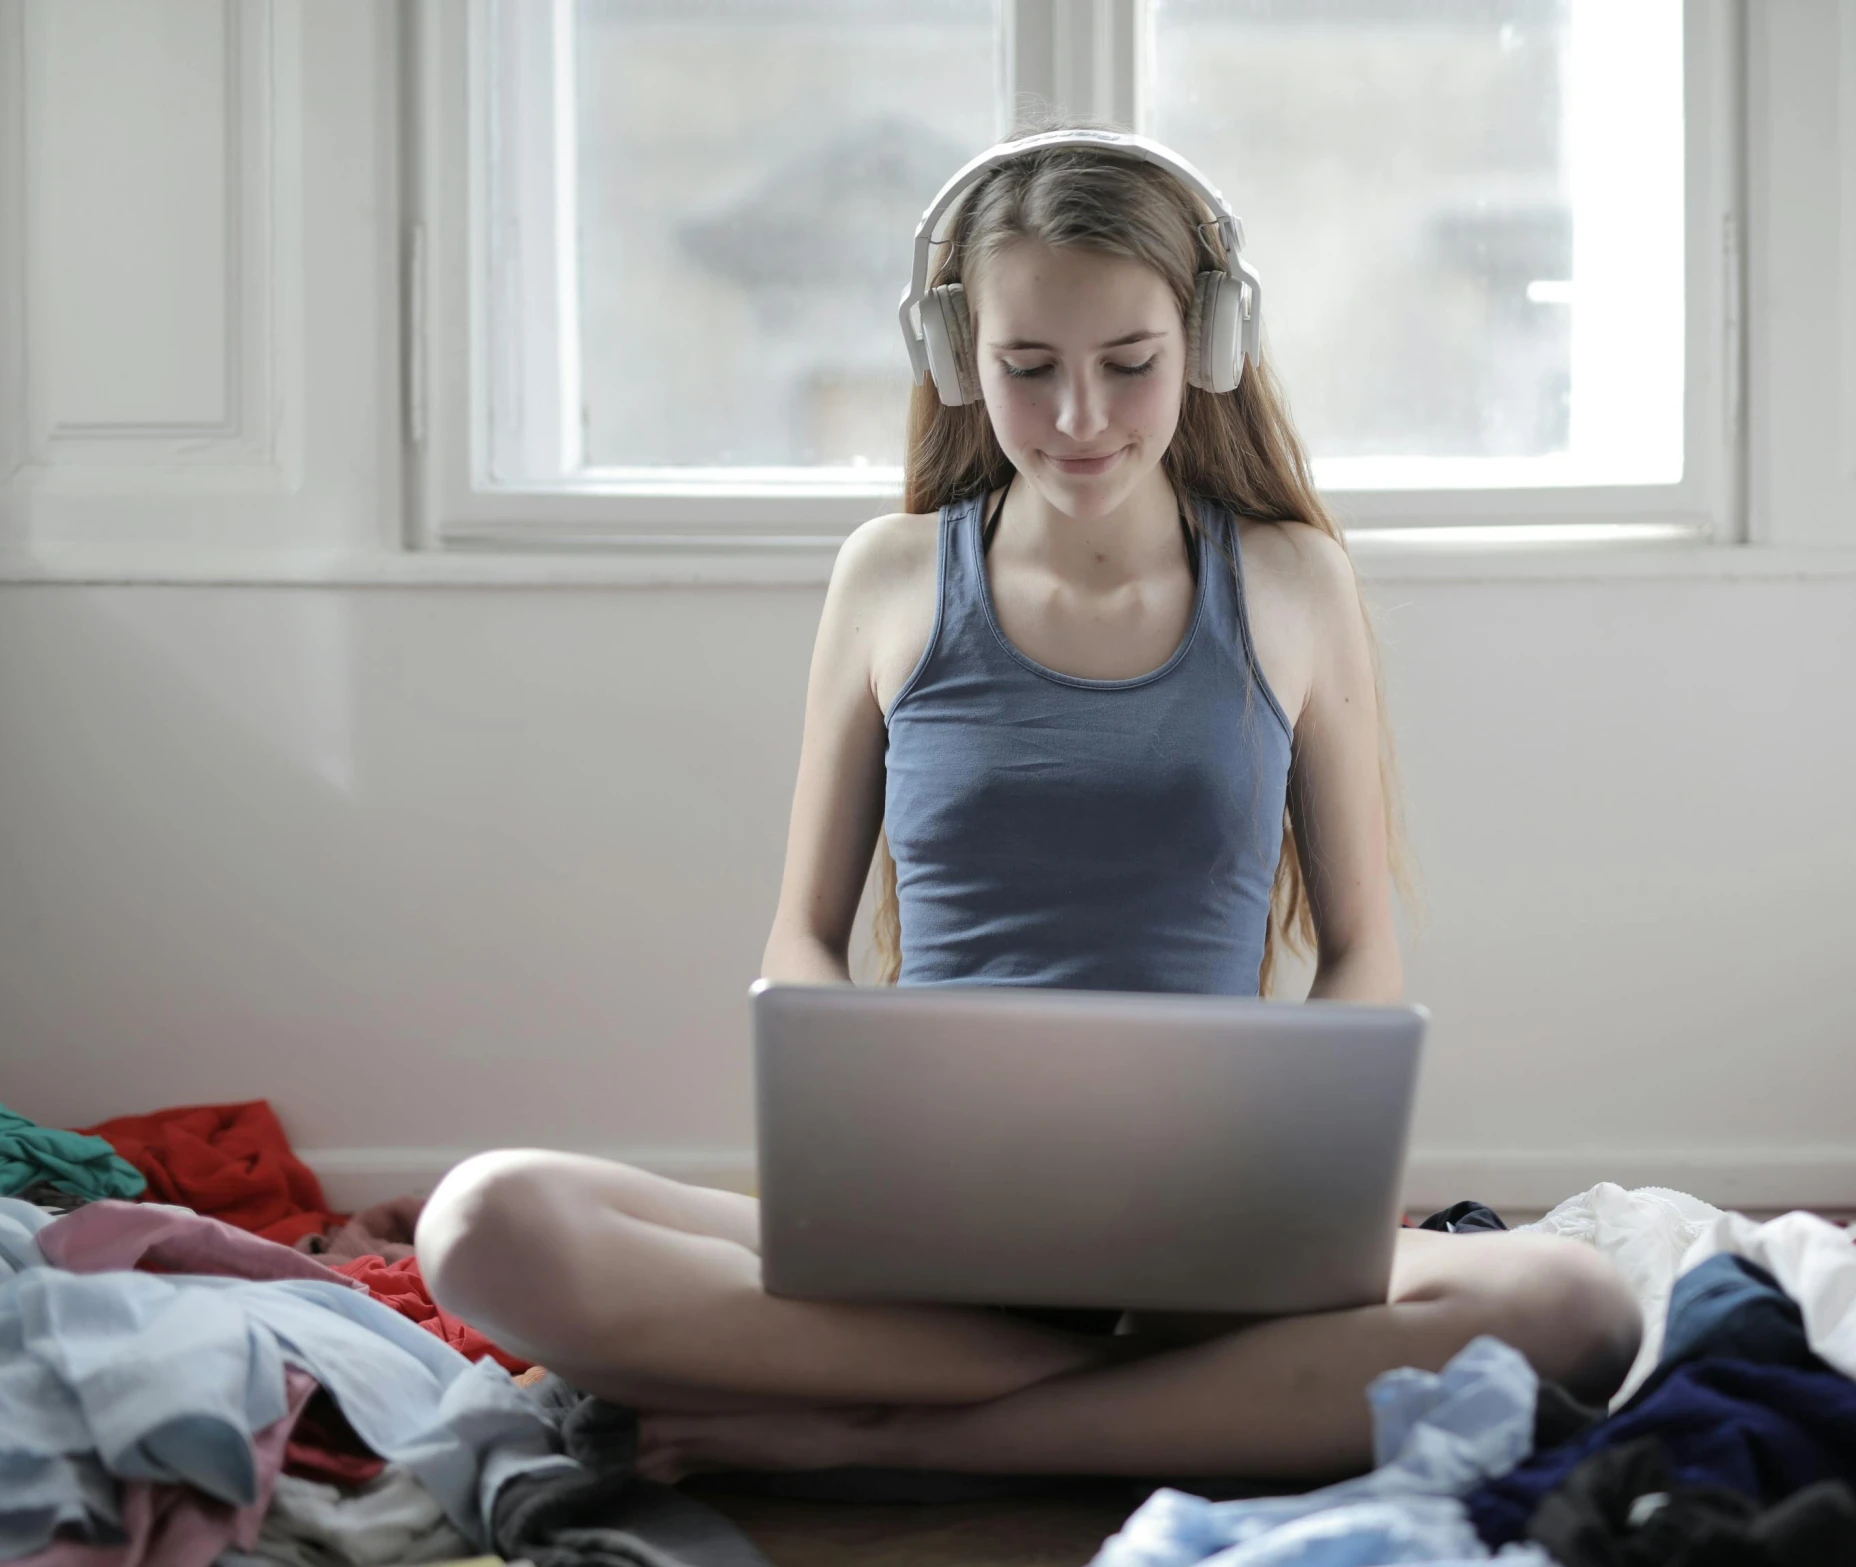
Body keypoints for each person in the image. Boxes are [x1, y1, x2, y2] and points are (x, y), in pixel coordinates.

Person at [416, 126, 1639, 1485]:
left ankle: (892, 1439)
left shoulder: (1293, 581)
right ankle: (1175, 1406)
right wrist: (860, 1148)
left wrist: (1299, 1197)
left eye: (1129, 367)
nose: (1078, 420)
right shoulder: (886, 577)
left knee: (1573, 1307)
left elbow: (1358, 948)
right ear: (954, 359)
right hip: (928, 1229)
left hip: (1211, 1231)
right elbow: (800, 940)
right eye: (1026, 368)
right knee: (484, 1224)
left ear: (1209, 344)